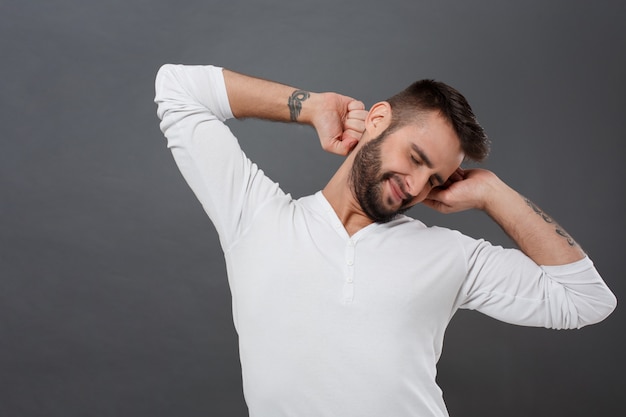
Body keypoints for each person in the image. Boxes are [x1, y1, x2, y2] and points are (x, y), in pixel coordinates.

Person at [154, 63, 616, 417]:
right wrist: (311, 106)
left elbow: (587, 300)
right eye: (415, 158)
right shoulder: (255, 218)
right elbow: (177, 89)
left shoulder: (450, 256)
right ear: (377, 120)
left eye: (434, 178)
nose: (416, 186)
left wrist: (492, 193)